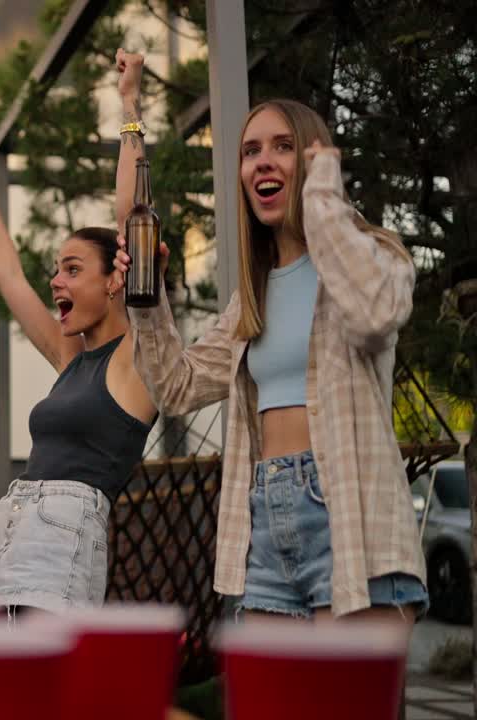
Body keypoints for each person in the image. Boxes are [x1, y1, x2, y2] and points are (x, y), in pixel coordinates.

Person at [112, 50, 427, 623]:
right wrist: (149, 294)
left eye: (282, 146)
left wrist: (326, 206)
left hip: (351, 524)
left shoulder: (376, 255)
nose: (263, 161)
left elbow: (374, 313)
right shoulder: (249, 301)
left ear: (311, 161)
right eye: (250, 151)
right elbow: (176, 387)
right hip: (265, 528)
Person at [0, 126, 157, 612]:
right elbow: (7, 276)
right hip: (13, 519)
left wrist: (130, 112)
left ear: (114, 280)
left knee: (28, 673)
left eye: (74, 269)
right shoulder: (72, 358)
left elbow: (131, 222)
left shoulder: (136, 359)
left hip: (65, 525)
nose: (56, 280)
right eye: (58, 268)